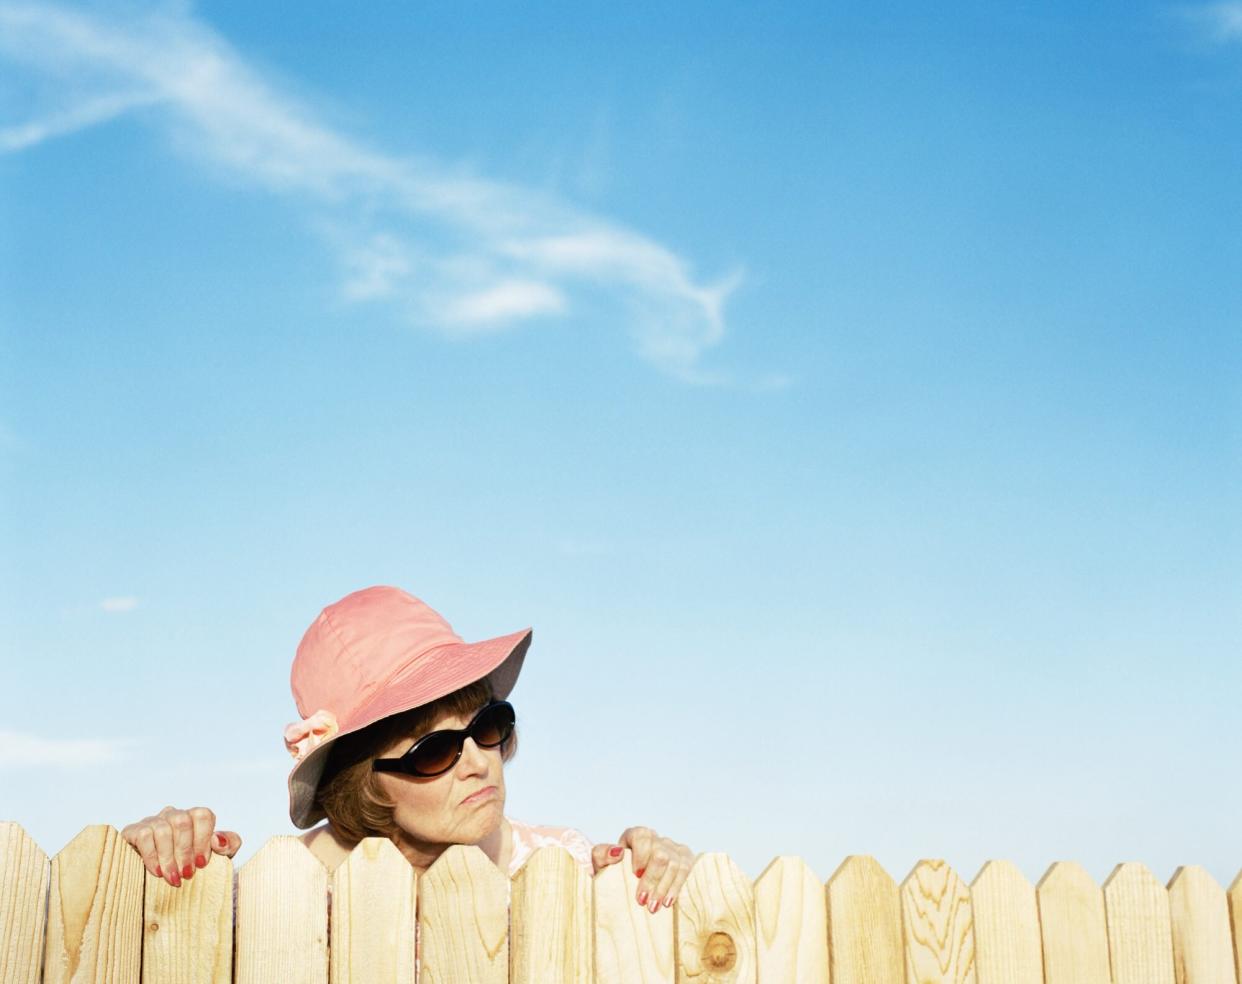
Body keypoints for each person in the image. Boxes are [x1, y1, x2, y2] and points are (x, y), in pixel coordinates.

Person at [122, 586, 694, 913]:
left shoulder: (571, 868)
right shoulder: (278, 896)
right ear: (363, 780)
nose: (477, 762)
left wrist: (677, 887)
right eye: (432, 751)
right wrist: (139, 870)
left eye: (487, 723)